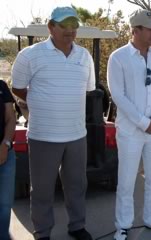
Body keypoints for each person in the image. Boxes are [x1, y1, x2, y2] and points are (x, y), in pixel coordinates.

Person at [11, 6, 94, 240]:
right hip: (43, 136)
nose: (70, 31)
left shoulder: (84, 56)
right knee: (42, 190)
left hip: (77, 135)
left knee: (77, 186)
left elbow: (87, 90)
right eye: (64, 25)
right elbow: (17, 88)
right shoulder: (29, 55)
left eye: (74, 26)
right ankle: (43, 232)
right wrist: (39, 101)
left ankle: (77, 226)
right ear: (51, 27)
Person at [107, 9, 151, 240]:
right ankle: (123, 225)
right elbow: (118, 94)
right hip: (130, 131)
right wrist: (142, 121)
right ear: (135, 30)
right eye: (150, 29)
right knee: (126, 180)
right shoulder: (118, 57)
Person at [0, 80, 16, 240]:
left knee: (4, 205)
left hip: (5, 154)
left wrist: (5, 145)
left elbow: (11, 118)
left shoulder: (1, 86)